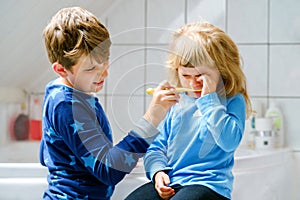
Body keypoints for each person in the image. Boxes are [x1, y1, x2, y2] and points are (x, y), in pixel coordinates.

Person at [40, 7, 179, 200]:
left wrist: (121, 156)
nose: (104, 73)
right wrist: (152, 118)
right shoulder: (67, 105)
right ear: (61, 69)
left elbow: (47, 153)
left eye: (105, 61)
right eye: (90, 68)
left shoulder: (63, 95)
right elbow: (109, 172)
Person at [125, 22, 252, 200]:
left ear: (221, 71)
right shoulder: (178, 102)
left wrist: (208, 100)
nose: (193, 84)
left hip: (210, 185)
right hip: (174, 181)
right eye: (186, 76)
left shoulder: (232, 101)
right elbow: (157, 146)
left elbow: (228, 141)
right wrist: (158, 172)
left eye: (201, 76)